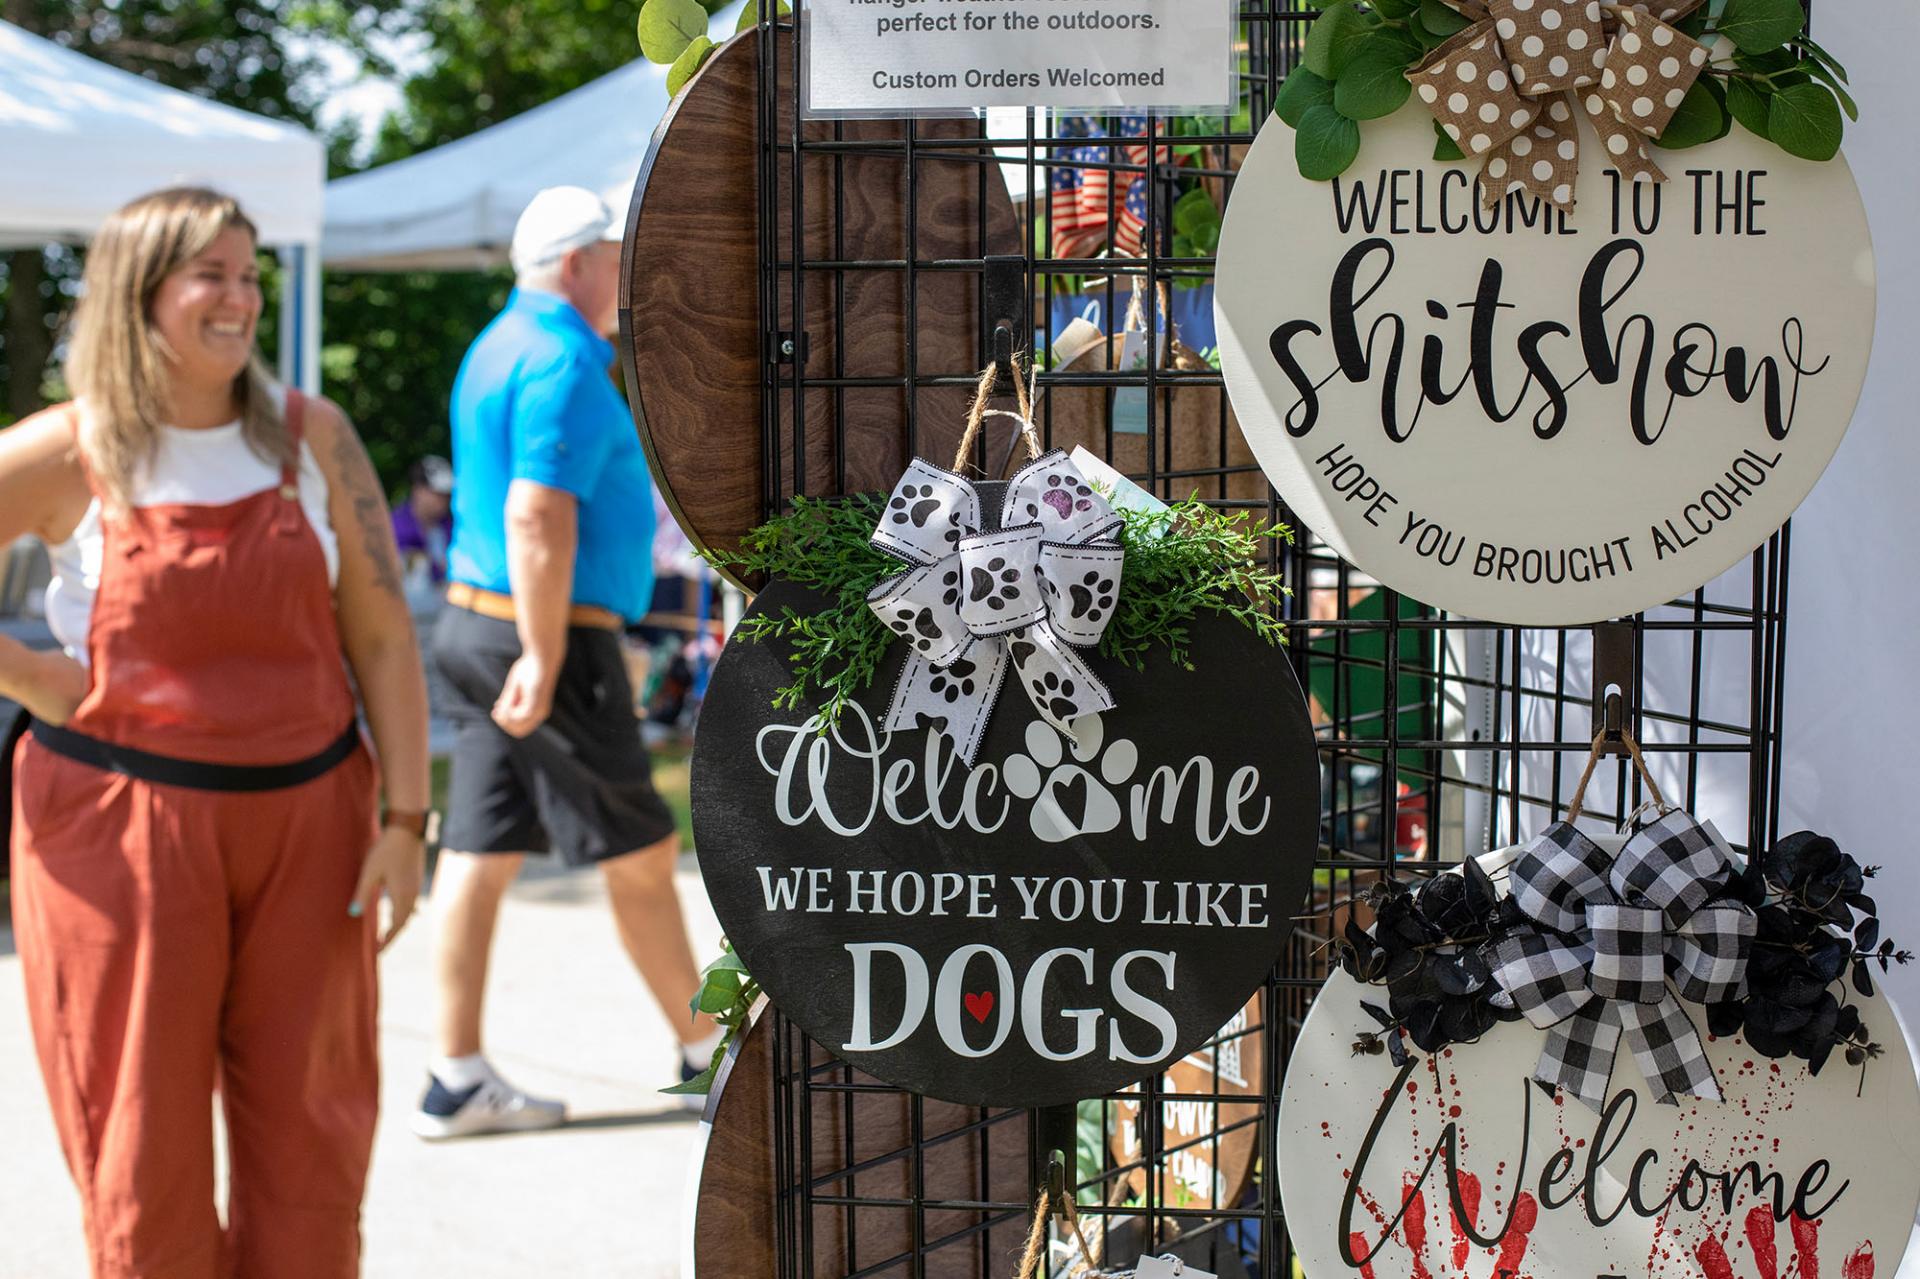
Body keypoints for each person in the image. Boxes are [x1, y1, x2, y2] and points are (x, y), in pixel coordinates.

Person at [0, 187, 430, 1277]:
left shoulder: (312, 437)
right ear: (139, 296)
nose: (241, 299)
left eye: (250, 276)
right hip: (119, 840)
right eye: (214, 276)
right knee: (143, 1160)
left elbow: (382, 638)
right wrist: (37, 681)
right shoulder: (68, 449)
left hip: (312, 834)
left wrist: (407, 816)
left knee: (313, 1149)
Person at [417, 185, 716, 1139]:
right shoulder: (564, 361)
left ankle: (453, 1076)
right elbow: (537, 514)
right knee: (640, 849)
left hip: (477, 627)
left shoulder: (493, 346)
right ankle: (710, 1056)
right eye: (618, 256)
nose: (629, 274)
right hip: (541, 635)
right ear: (577, 263)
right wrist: (548, 654)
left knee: (475, 851)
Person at [392, 453, 454, 584]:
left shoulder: (452, 527)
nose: (444, 499)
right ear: (418, 489)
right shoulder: (394, 526)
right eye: (437, 493)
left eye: (447, 494)